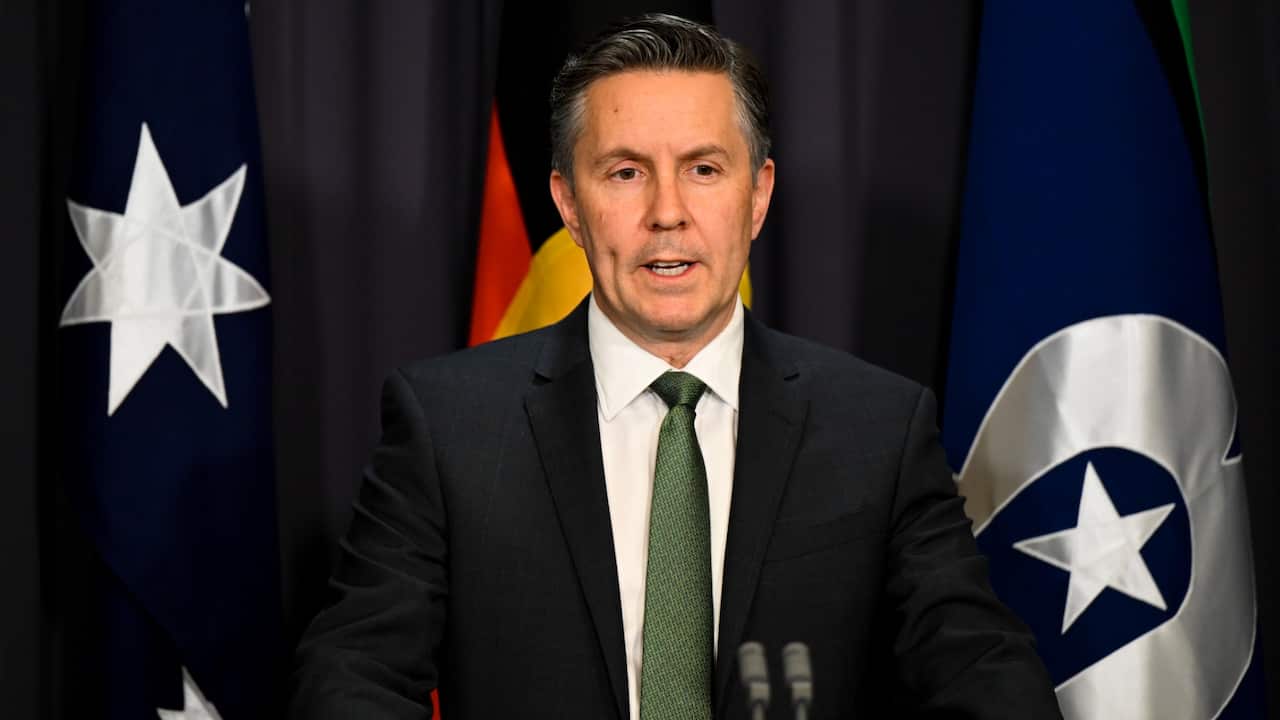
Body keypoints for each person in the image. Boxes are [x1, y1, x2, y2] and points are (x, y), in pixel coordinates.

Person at [289, 13, 1061, 720]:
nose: (667, 212)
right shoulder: (448, 425)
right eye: (625, 172)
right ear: (569, 204)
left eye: (703, 169)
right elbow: (350, 677)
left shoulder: (878, 429)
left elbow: (984, 670)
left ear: (757, 195)